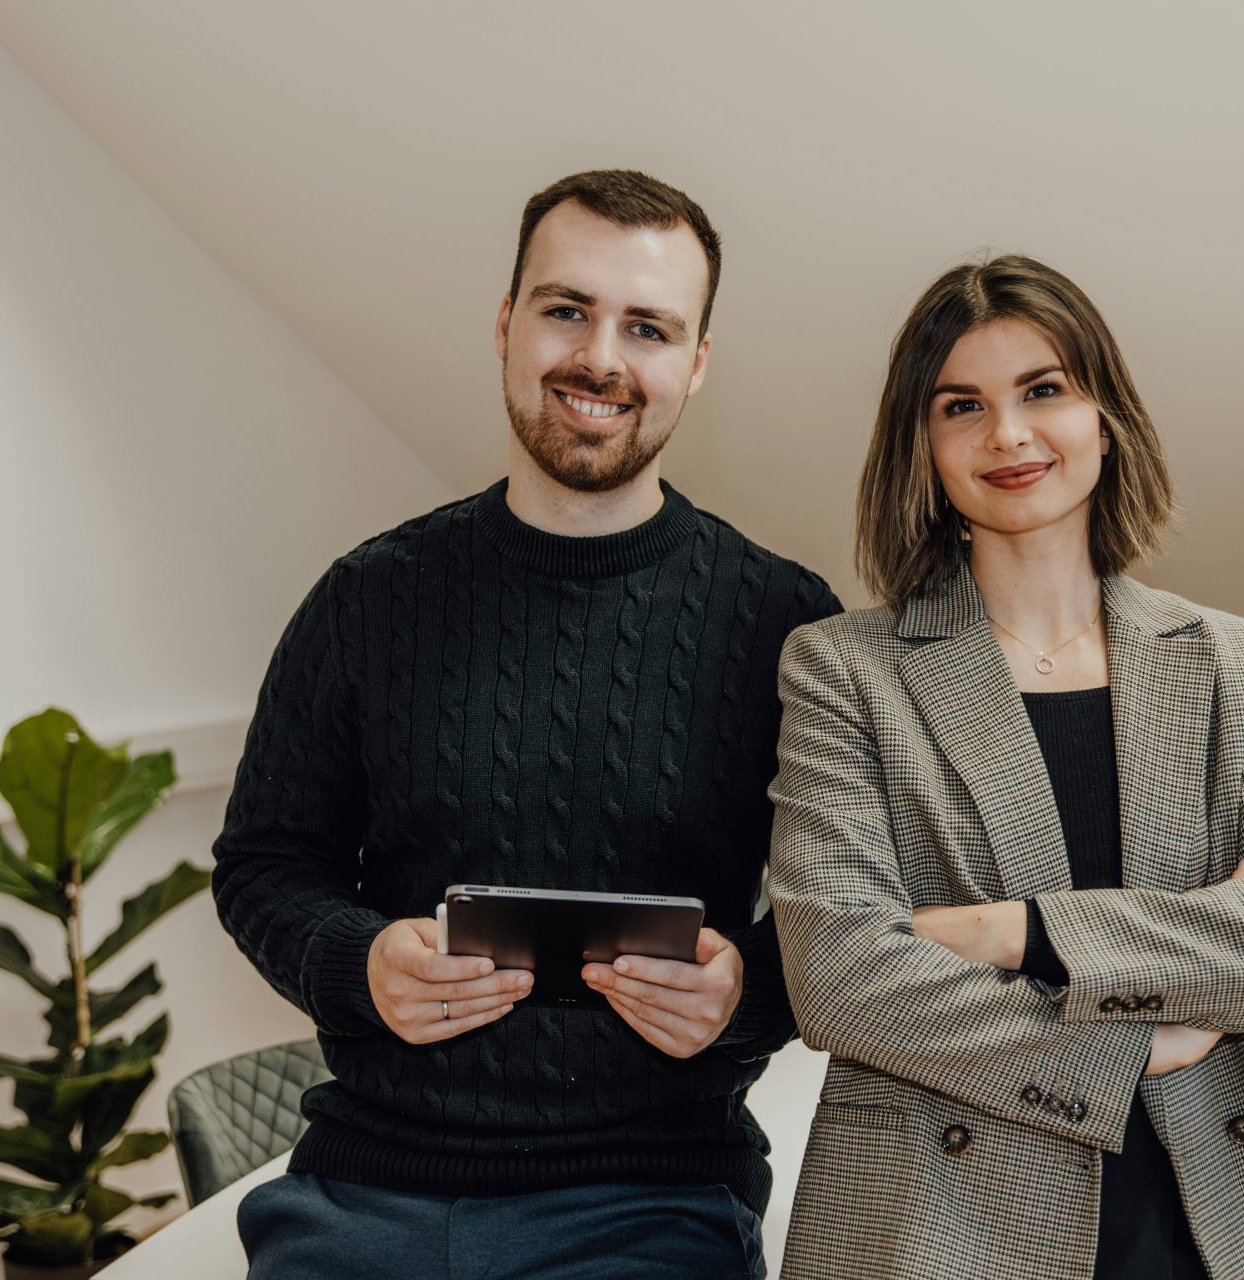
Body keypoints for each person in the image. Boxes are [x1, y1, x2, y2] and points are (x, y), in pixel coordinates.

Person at [213, 169, 839, 1280]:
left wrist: (747, 992)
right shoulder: (366, 598)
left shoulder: (788, 626)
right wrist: (359, 962)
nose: (600, 357)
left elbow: (854, 914)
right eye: (566, 309)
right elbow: (263, 863)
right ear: (506, 324)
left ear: (696, 362)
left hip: (653, 1197)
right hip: (363, 1190)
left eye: (647, 327)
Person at [767, 255, 1244, 1279]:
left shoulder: (1233, 660)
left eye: (1044, 390)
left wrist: (1018, 932)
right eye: (962, 406)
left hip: (1214, 1196)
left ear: (1105, 418)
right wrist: (1135, 1037)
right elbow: (840, 977)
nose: (1008, 434)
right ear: (922, 448)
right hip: (942, 1222)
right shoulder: (844, 668)